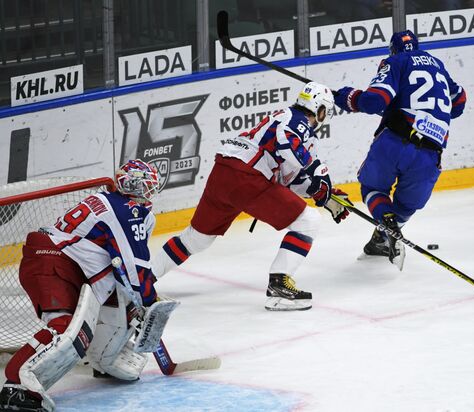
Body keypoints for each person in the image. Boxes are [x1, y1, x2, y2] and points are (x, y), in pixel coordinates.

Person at [151, 82, 349, 312]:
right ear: (320, 109)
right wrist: (317, 170)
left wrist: (322, 194)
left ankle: (142, 280)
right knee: (308, 221)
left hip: (225, 172)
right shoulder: (297, 121)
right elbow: (288, 141)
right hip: (247, 177)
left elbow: (288, 181)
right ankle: (279, 288)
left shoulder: (283, 117)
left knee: (196, 238)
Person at [0, 160, 163, 412]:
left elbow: (121, 266)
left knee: (117, 302)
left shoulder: (111, 200)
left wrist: (141, 299)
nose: (148, 193)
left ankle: (102, 359)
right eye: (145, 186)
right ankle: (15, 386)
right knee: (64, 328)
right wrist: (150, 301)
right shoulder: (124, 210)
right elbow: (134, 266)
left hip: (61, 263)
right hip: (50, 261)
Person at [334, 30, 466, 269]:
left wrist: (348, 98)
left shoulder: (395, 62)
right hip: (430, 155)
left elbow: (375, 101)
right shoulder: (438, 65)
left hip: (395, 142)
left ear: (393, 50)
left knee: (373, 187)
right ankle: (384, 238)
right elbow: (459, 103)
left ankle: (386, 223)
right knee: (406, 205)